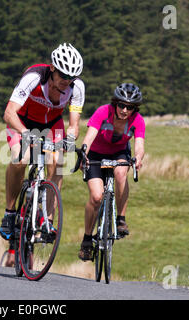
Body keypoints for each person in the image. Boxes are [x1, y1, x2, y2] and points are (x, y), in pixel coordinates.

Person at [0, 43, 85, 264]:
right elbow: (9, 113)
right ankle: (10, 213)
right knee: (21, 158)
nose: (67, 80)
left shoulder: (77, 88)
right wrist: (26, 133)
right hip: (22, 121)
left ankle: (47, 220)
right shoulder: (34, 77)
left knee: (58, 162)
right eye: (64, 75)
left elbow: (74, 124)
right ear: (53, 69)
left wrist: (71, 137)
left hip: (52, 124)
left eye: (72, 77)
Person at [77, 83, 145, 261]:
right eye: (121, 105)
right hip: (96, 154)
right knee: (97, 197)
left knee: (121, 173)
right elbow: (90, 136)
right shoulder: (102, 112)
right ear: (115, 103)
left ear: (134, 109)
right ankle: (87, 239)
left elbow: (139, 144)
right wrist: (83, 153)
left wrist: (138, 158)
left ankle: (121, 218)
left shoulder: (137, 120)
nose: (124, 110)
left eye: (129, 107)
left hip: (119, 152)